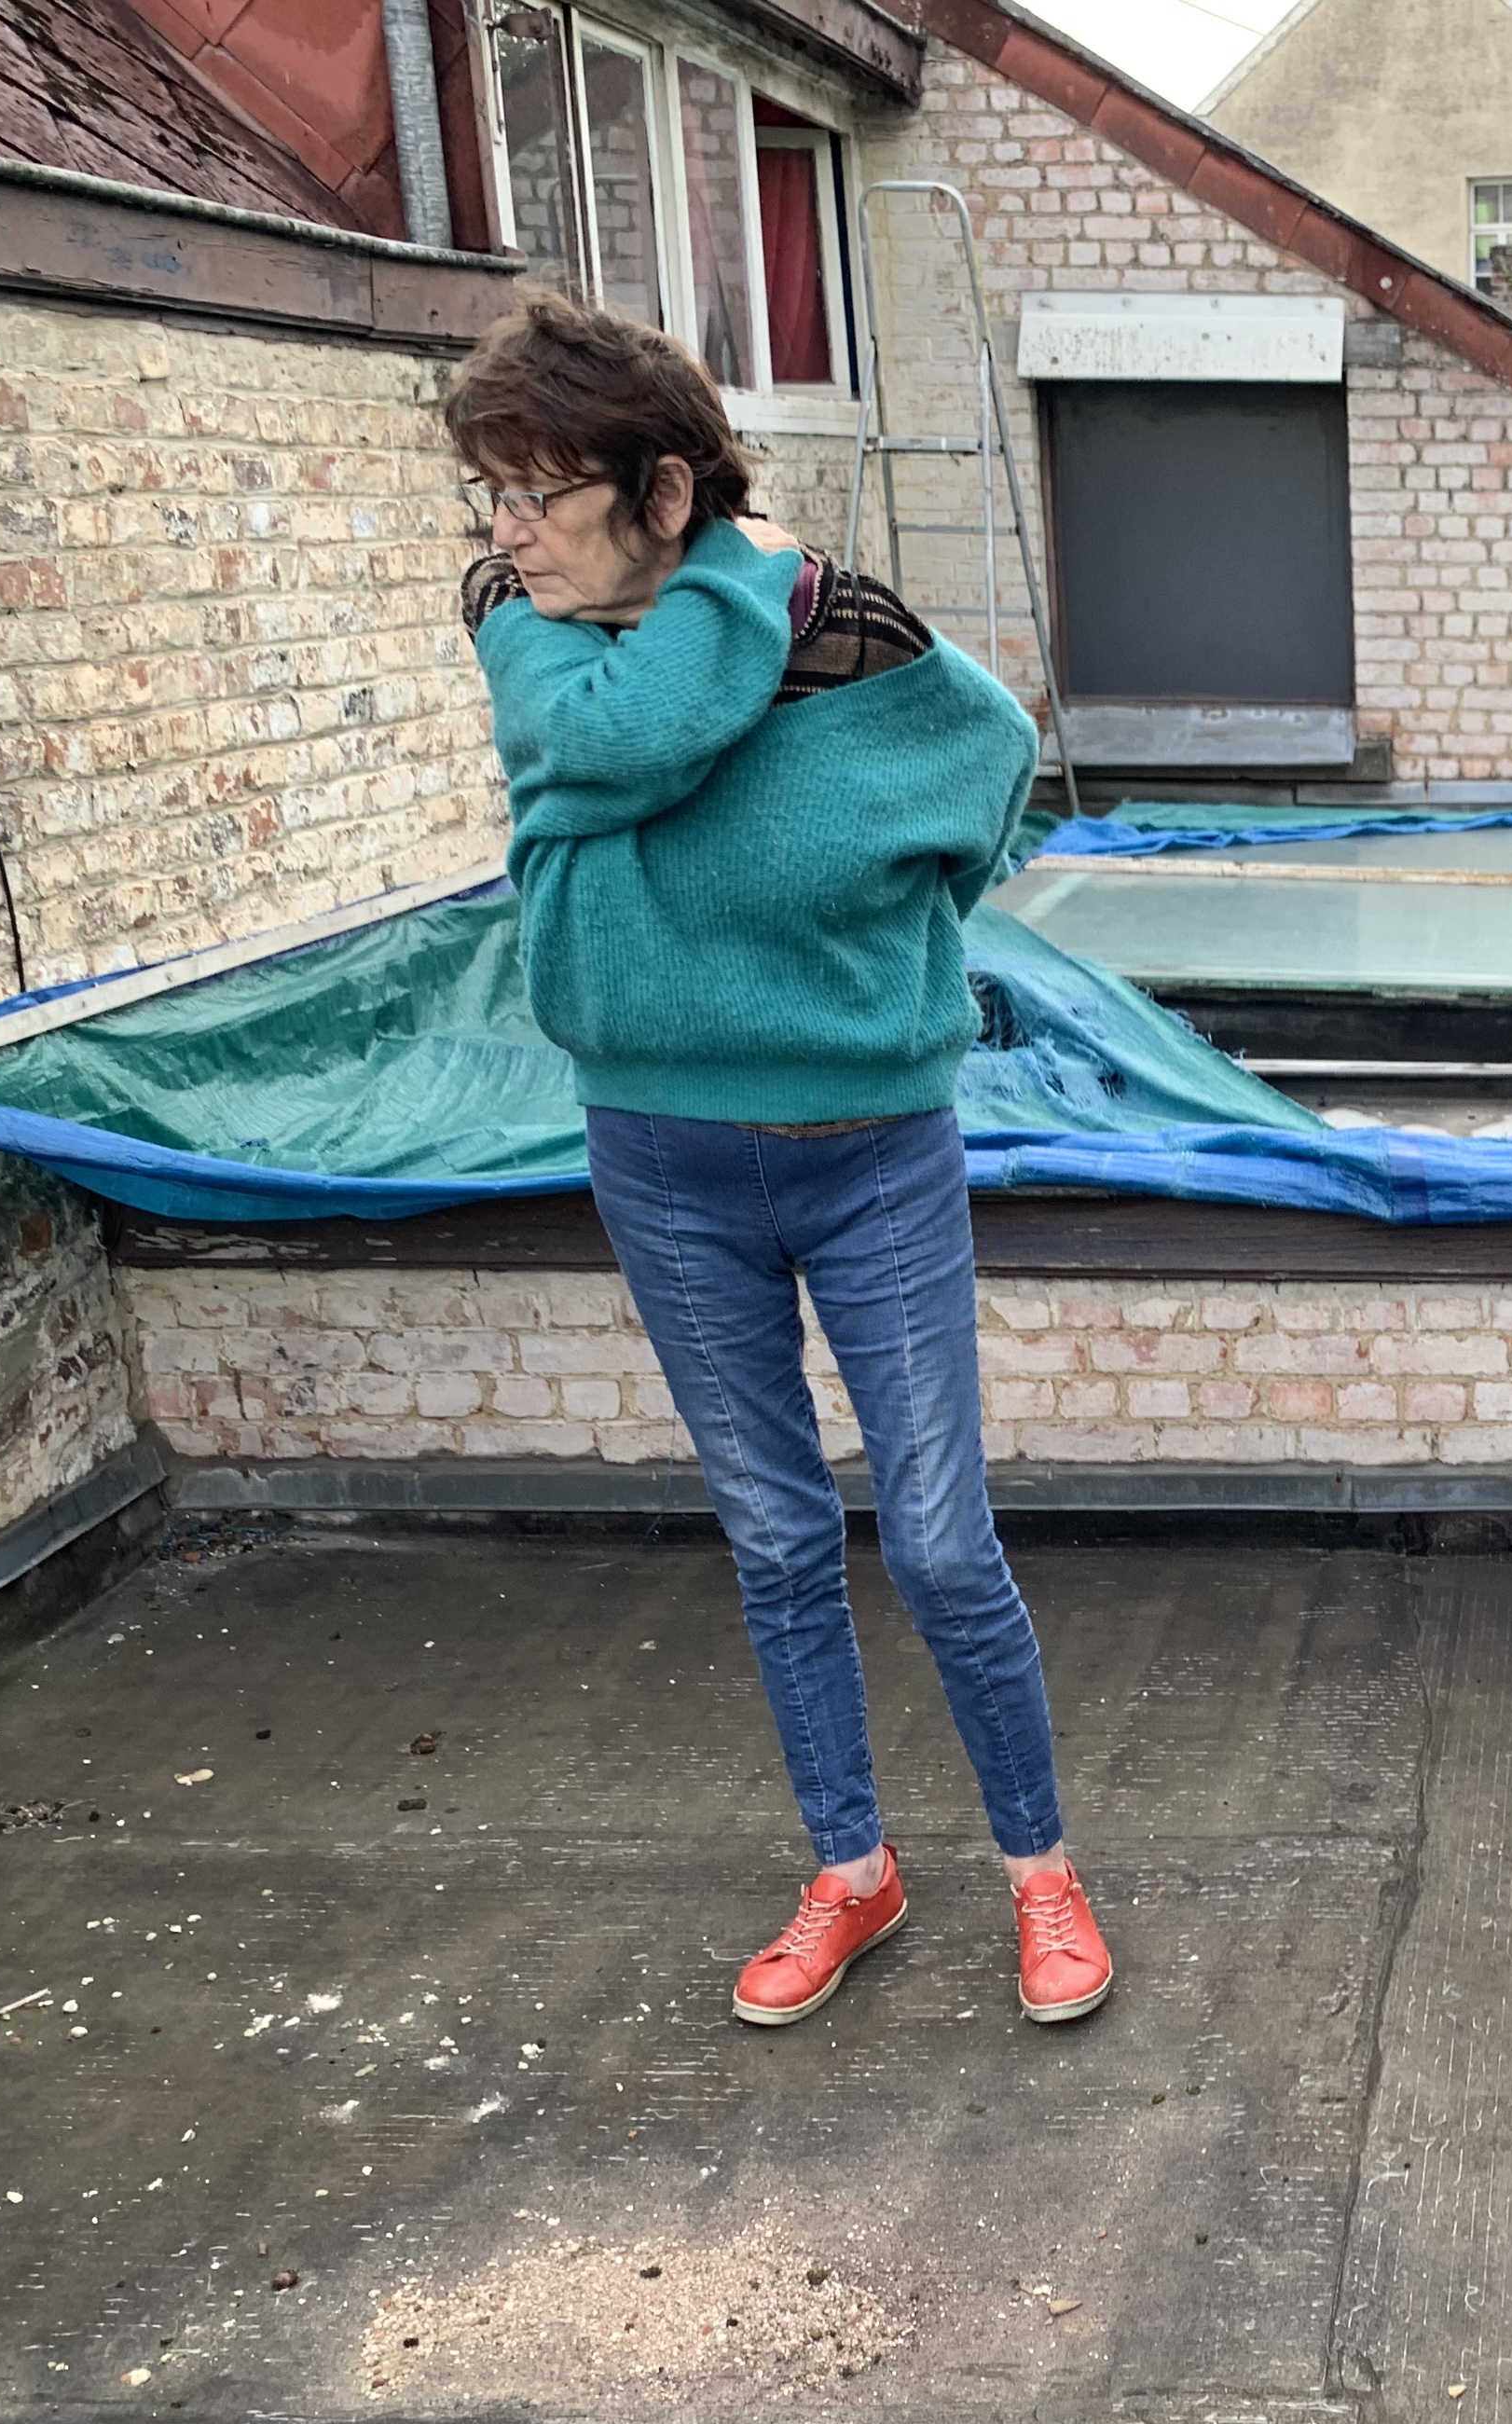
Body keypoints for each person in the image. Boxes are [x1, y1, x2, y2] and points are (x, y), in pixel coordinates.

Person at [441, 291, 1109, 2033]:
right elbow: (614, 739)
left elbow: (990, 765)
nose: (504, 535)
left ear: (663, 492)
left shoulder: (856, 640)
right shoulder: (528, 631)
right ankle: (851, 1869)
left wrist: (880, 947)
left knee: (942, 1542)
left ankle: (1041, 1872)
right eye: (490, 494)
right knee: (776, 1533)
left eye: (536, 493)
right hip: (656, 1155)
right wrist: (724, 583)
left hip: (872, 1152)